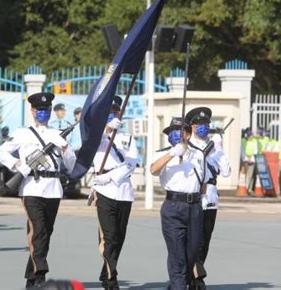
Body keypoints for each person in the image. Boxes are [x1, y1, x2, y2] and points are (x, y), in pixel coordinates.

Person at [0, 92, 76, 288]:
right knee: (39, 229)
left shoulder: (57, 134)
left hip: (53, 189)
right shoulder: (23, 133)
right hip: (31, 187)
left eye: (47, 110)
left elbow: (72, 165)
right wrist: (17, 164)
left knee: (45, 233)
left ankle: (31, 277)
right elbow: (0, 153)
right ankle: (41, 273)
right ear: (32, 111)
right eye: (40, 110)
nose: (44, 113)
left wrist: (64, 147)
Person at [150, 113, 206, 290]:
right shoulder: (162, 154)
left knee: (193, 252)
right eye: (172, 131)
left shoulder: (199, 155)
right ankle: (178, 286)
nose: (176, 134)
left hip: (195, 206)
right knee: (177, 255)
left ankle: (176, 284)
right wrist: (172, 154)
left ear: (188, 134)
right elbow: (153, 169)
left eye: (180, 130)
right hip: (173, 206)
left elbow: (203, 184)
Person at [89, 99, 138, 290]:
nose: (112, 115)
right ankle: (112, 278)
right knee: (109, 236)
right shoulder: (97, 136)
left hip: (123, 190)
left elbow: (132, 163)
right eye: (108, 112)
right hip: (103, 191)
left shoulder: (128, 139)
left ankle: (106, 269)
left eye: (115, 112)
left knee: (119, 236)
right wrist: (107, 130)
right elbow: (90, 146)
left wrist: (110, 176)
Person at [187, 114, 231, 289]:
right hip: (195, 197)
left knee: (205, 240)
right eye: (200, 124)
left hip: (211, 199)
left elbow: (226, 171)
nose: (204, 127)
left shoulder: (214, 148)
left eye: (206, 124)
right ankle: (195, 277)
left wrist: (219, 149)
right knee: (193, 240)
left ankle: (195, 275)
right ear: (192, 126)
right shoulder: (190, 146)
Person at [244, 129, 258, 193]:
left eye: (251, 135)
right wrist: (247, 158)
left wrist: (251, 158)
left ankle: (248, 189)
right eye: (249, 135)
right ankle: (246, 188)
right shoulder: (244, 141)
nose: (251, 137)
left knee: (251, 175)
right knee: (246, 174)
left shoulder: (254, 141)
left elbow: (255, 150)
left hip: (252, 159)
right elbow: (243, 150)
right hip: (245, 159)